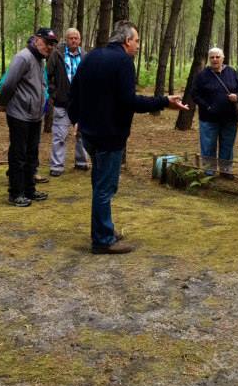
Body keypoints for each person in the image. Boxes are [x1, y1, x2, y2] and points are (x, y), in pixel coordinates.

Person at [67, 20, 188, 254]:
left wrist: (76, 120)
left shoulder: (90, 57)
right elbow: (129, 101)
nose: (138, 46)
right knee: (105, 188)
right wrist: (164, 101)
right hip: (109, 136)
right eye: (137, 41)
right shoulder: (123, 61)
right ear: (126, 41)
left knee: (99, 184)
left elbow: (74, 93)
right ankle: (102, 240)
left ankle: (104, 229)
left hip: (90, 134)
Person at [0, 28, 58, 206]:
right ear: (37, 40)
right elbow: (8, 84)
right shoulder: (23, 57)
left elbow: (40, 85)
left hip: (35, 115)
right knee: (19, 154)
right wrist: (2, 102)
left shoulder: (40, 60)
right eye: (48, 43)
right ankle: (15, 193)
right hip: (19, 114)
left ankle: (29, 190)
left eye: (53, 45)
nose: (50, 47)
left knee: (32, 154)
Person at [46, 27, 89, 176]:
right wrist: (54, 93)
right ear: (66, 39)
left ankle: (82, 162)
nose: (74, 40)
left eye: (76, 38)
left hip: (82, 103)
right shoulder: (57, 55)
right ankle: (57, 166)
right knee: (60, 135)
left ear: (80, 40)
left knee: (82, 134)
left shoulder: (85, 56)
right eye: (71, 38)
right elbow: (48, 76)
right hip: (62, 102)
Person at [192, 48, 238, 175]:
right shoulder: (202, 75)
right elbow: (195, 94)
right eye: (212, 57)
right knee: (208, 146)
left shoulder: (232, 72)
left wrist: (237, 96)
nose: (215, 59)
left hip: (229, 118)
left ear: (223, 58)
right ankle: (209, 171)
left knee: (227, 146)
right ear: (209, 59)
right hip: (208, 119)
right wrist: (207, 106)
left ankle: (226, 171)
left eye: (217, 57)